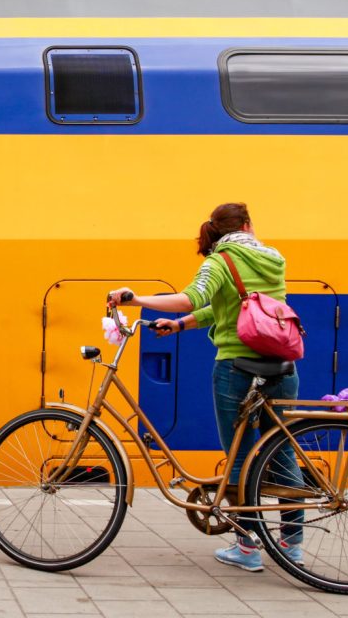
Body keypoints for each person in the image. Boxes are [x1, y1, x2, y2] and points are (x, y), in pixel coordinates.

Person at [106, 202, 302, 573]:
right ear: (247, 225)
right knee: (280, 450)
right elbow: (238, 305)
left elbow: (190, 298)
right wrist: (180, 326)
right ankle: (292, 544)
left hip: (237, 368)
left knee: (241, 455)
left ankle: (248, 547)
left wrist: (136, 300)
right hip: (282, 367)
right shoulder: (274, 259)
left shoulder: (220, 261)